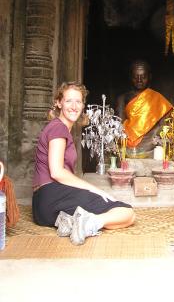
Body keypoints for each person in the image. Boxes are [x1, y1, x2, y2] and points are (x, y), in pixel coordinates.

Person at [32, 81, 135, 246]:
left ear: (83, 105)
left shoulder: (58, 128)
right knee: (127, 213)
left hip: (42, 209)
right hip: (52, 194)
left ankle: (71, 222)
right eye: (68, 101)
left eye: (78, 101)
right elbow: (57, 172)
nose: (74, 106)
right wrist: (95, 189)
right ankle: (88, 224)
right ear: (58, 103)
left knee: (115, 212)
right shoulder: (58, 128)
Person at [116, 59, 173, 158]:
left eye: (143, 77)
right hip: (129, 144)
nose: (139, 80)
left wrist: (156, 137)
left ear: (149, 77)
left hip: (151, 143)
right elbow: (119, 126)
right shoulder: (123, 98)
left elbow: (164, 125)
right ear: (130, 77)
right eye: (135, 77)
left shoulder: (157, 98)